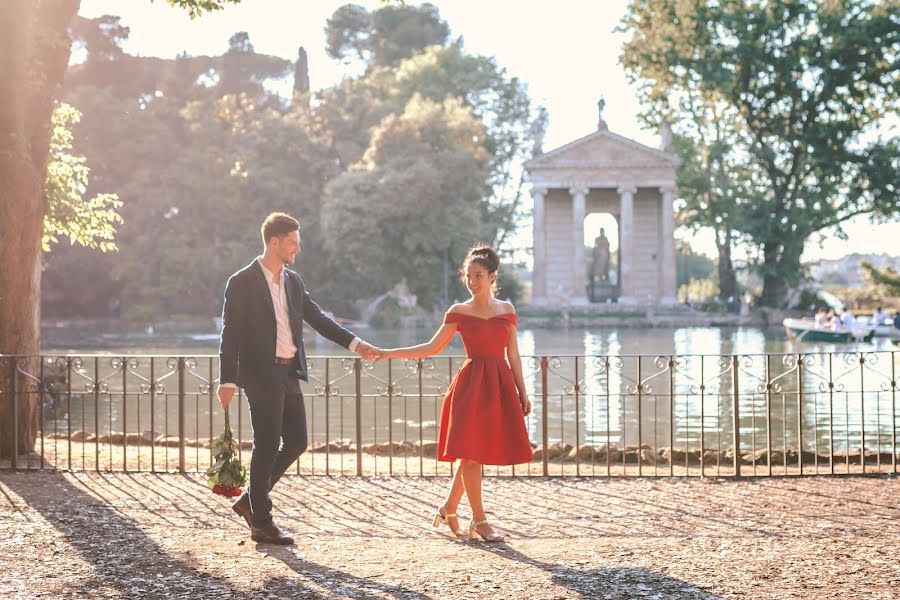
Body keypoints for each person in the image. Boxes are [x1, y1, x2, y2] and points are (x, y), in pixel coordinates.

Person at [216, 212, 379, 545]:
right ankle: (261, 521)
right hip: (260, 375)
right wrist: (227, 380)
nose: (298, 248)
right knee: (265, 445)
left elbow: (317, 319)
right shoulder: (241, 281)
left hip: (289, 372)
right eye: (293, 242)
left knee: (297, 441)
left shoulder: (293, 281)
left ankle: (250, 499)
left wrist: (356, 343)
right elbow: (230, 334)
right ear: (274, 242)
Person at [375, 245, 533, 542]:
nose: (473, 281)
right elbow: (430, 347)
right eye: (468, 276)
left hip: (499, 387)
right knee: (471, 456)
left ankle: (448, 508)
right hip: (470, 388)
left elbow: (513, 353)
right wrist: (387, 353)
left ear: (492, 277)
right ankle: (481, 521)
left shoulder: (507, 311)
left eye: (479, 275)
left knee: (476, 454)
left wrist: (522, 392)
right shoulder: (458, 312)